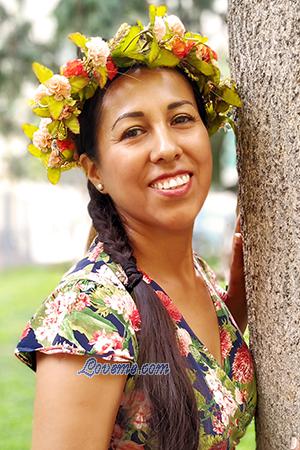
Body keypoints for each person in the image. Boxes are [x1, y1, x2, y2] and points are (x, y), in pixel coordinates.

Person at [15, 5, 258, 450]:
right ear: (95, 172)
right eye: (133, 132)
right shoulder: (89, 318)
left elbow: (189, 368)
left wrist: (237, 304)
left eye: (181, 119)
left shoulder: (195, 275)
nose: (166, 147)